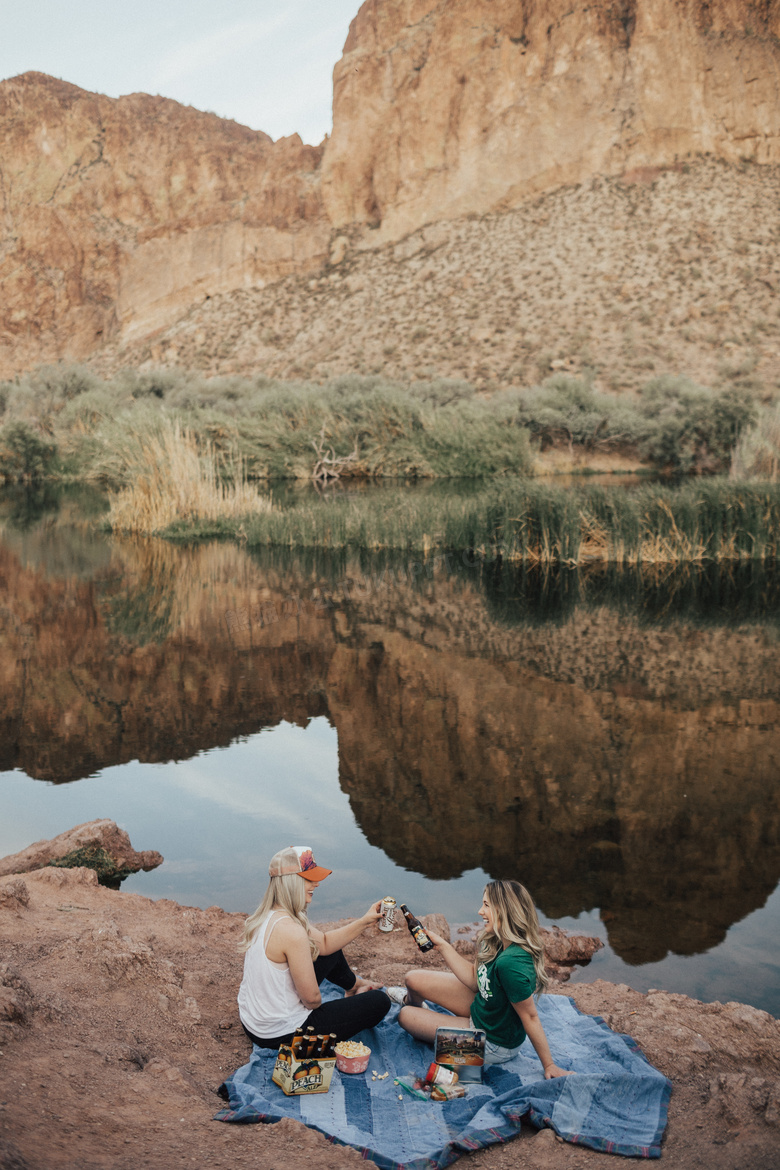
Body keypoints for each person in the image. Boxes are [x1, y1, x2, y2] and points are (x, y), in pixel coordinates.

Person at [391, 879, 573, 1077]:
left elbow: (530, 1016)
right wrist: (442, 945)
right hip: (483, 1007)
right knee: (412, 979)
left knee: (405, 1016)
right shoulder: (493, 939)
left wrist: (549, 1066)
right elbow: (474, 980)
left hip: (494, 1041)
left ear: (504, 910)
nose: (480, 911)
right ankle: (422, 1012)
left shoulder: (511, 964)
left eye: (486, 905)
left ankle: (426, 1021)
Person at [238, 845, 391, 1048]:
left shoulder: (269, 915)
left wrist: (364, 921)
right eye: (309, 879)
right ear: (291, 882)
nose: (317, 884)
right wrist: (329, 1009)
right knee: (380, 1002)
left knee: (327, 949)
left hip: (253, 1020)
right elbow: (312, 1001)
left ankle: (353, 986)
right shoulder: (292, 931)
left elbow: (326, 943)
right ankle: (356, 993)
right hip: (279, 1034)